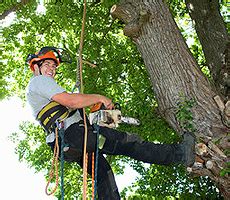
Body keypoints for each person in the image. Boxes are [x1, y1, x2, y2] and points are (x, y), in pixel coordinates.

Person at [26, 47, 195, 200]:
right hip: (77, 137)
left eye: (54, 67)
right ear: (36, 67)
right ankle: (181, 153)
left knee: (104, 177)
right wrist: (101, 98)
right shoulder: (39, 81)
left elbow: (74, 110)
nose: (52, 69)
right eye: (47, 64)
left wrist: (100, 117)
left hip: (72, 145)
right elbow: (71, 101)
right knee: (129, 143)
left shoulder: (44, 95)